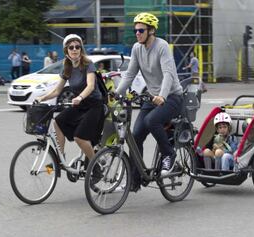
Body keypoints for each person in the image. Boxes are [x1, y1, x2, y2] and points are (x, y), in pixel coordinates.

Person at [115, 12, 184, 191]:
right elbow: (130, 74)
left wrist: (162, 95)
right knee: (136, 135)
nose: (137, 33)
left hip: (172, 97)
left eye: (141, 30)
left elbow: (168, 73)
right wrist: (116, 93)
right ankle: (135, 181)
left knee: (152, 120)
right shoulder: (137, 48)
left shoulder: (162, 47)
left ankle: (169, 154)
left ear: (151, 31)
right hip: (152, 97)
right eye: (135, 30)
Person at [35, 34, 105, 172]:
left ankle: (94, 165)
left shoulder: (87, 63)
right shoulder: (67, 67)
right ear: (66, 51)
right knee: (58, 121)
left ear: (81, 49)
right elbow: (57, 91)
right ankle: (61, 159)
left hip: (94, 105)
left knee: (80, 137)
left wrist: (79, 97)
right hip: (80, 105)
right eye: (71, 47)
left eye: (77, 47)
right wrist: (41, 98)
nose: (74, 49)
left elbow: (90, 86)